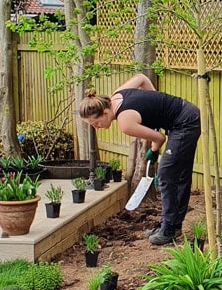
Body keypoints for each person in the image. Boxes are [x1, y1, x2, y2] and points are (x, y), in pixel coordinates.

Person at [78, 74, 201, 245]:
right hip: (183, 115)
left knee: (167, 175)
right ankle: (170, 224)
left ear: (105, 112)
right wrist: (158, 107)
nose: (96, 128)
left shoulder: (125, 122)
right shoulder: (117, 95)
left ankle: (169, 229)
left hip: (185, 122)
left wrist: (154, 149)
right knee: (174, 173)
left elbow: (159, 138)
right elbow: (141, 78)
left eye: (95, 123)